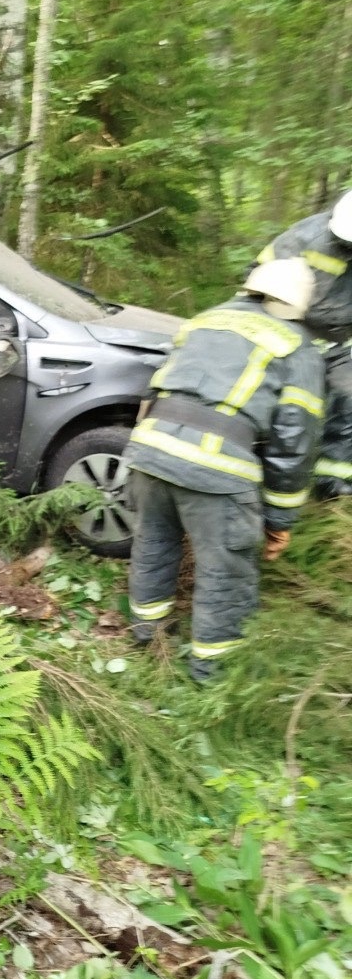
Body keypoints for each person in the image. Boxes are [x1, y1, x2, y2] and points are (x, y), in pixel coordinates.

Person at [125, 257, 324, 682]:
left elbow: (155, 385)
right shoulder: (296, 347)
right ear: (301, 303)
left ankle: (148, 638)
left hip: (149, 449)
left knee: (153, 546)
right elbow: (294, 441)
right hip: (215, 467)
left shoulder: (205, 319)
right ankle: (213, 675)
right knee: (226, 574)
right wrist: (279, 519)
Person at [254, 190, 352, 496]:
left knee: (348, 398)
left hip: (341, 339)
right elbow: (261, 277)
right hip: (289, 327)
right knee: (281, 398)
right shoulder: (305, 236)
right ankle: (259, 468)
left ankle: (332, 485)